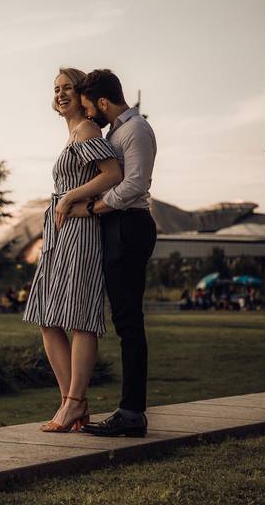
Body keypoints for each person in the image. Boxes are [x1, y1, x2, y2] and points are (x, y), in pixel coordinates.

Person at [22, 67, 123, 433]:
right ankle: (72, 402)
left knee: (79, 318)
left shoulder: (87, 130)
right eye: (56, 89)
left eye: (67, 87)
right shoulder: (71, 135)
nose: (61, 93)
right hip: (60, 235)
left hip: (81, 231)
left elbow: (112, 174)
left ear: (80, 94)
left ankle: (74, 402)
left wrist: (70, 196)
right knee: (47, 316)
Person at [70, 69, 158, 438]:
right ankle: (130, 410)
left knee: (128, 322)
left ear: (104, 102)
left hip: (129, 224)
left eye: (91, 108)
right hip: (119, 225)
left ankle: (132, 412)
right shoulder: (117, 131)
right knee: (126, 321)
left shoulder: (134, 130)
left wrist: (93, 207)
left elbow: (134, 183)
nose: (91, 116)